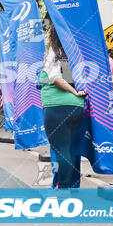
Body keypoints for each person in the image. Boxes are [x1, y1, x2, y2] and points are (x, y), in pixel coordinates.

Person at [39, 25, 86, 188]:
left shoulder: (55, 53)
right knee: (71, 148)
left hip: (57, 106)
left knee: (60, 149)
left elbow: (56, 79)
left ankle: (62, 186)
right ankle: (71, 185)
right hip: (77, 107)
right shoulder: (75, 53)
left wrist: (73, 91)